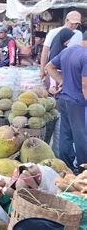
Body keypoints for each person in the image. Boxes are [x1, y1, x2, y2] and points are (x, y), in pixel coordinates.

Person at [45, 31, 86, 172]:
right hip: (79, 102)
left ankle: (66, 166)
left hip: (64, 99)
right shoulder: (86, 56)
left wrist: (62, 81)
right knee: (81, 136)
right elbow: (85, 84)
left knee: (66, 135)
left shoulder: (68, 51)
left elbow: (49, 66)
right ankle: (83, 169)